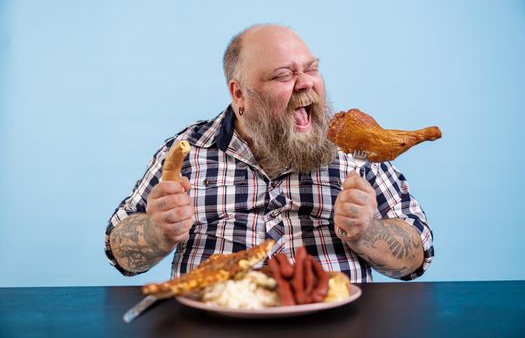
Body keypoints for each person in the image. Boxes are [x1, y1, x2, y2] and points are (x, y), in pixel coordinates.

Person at [105, 24, 434, 282]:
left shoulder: (353, 152)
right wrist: (156, 231)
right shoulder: (188, 152)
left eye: (311, 68)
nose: (306, 83)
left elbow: (416, 258)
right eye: (284, 74)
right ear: (240, 94)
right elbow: (119, 253)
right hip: (213, 323)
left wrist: (368, 232)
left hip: (332, 322)